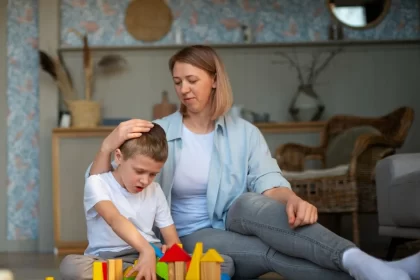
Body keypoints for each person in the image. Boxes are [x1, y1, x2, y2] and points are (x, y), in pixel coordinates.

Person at [84, 45, 411, 280]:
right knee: (268, 251)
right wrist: (108, 144)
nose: (183, 89)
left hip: (235, 215)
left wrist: (293, 199)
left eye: (192, 80)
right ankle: (375, 270)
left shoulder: (244, 133)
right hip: (188, 234)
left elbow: (270, 182)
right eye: (178, 81)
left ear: (214, 79)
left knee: (257, 204)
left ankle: (361, 261)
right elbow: (104, 181)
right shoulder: (158, 132)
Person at [59, 123, 235, 280]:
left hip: (152, 254)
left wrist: (174, 254)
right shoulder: (97, 183)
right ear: (119, 157)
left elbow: (171, 237)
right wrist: (146, 250)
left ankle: (144, 272)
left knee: (225, 263)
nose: (145, 181)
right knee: (72, 266)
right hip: (109, 258)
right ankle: (145, 273)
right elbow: (115, 219)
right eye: (139, 171)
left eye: (152, 174)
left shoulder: (155, 190)